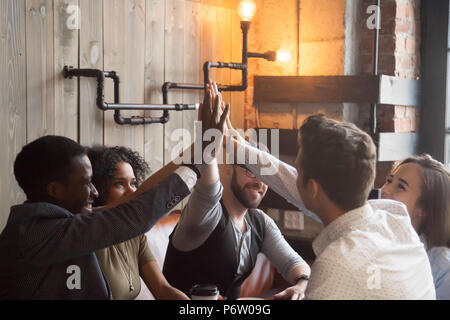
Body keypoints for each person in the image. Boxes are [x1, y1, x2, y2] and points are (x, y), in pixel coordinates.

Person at [0, 83, 229, 299]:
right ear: (55, 190)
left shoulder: (65, 225)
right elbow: (136, 213)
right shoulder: (35, 233)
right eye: (86, 183)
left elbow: (139, 198)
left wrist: (199, 150)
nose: (94, 191)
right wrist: (201, 159)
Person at [225, 113, 435, 299]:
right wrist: (238, 148)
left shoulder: (338, 264)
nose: (295, 176)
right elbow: (290, 181)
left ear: (313, 188)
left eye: (300, 170)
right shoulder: (394, 216)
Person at [163, 84, 311, 300]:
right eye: (250, 170)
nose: (259, 181)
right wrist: (210, 138)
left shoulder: (260, 222)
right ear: (225, 169)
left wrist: (300, 286)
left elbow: (293, 263)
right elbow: (208, 190)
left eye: (264, 175)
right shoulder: (205, 215)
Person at [87, 145, 189, 300]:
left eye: (133, 183)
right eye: (119, 184)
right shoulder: (86, 227)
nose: (131, 191)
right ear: (98, 189)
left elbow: (162, 289)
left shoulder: (135, 233)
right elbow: (141, 196)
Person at [381, 154, 450, 299]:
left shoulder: (442, 266)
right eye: (389, 181)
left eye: (400, 186)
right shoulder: (365, 239)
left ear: (424, 209)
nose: (385, 190)